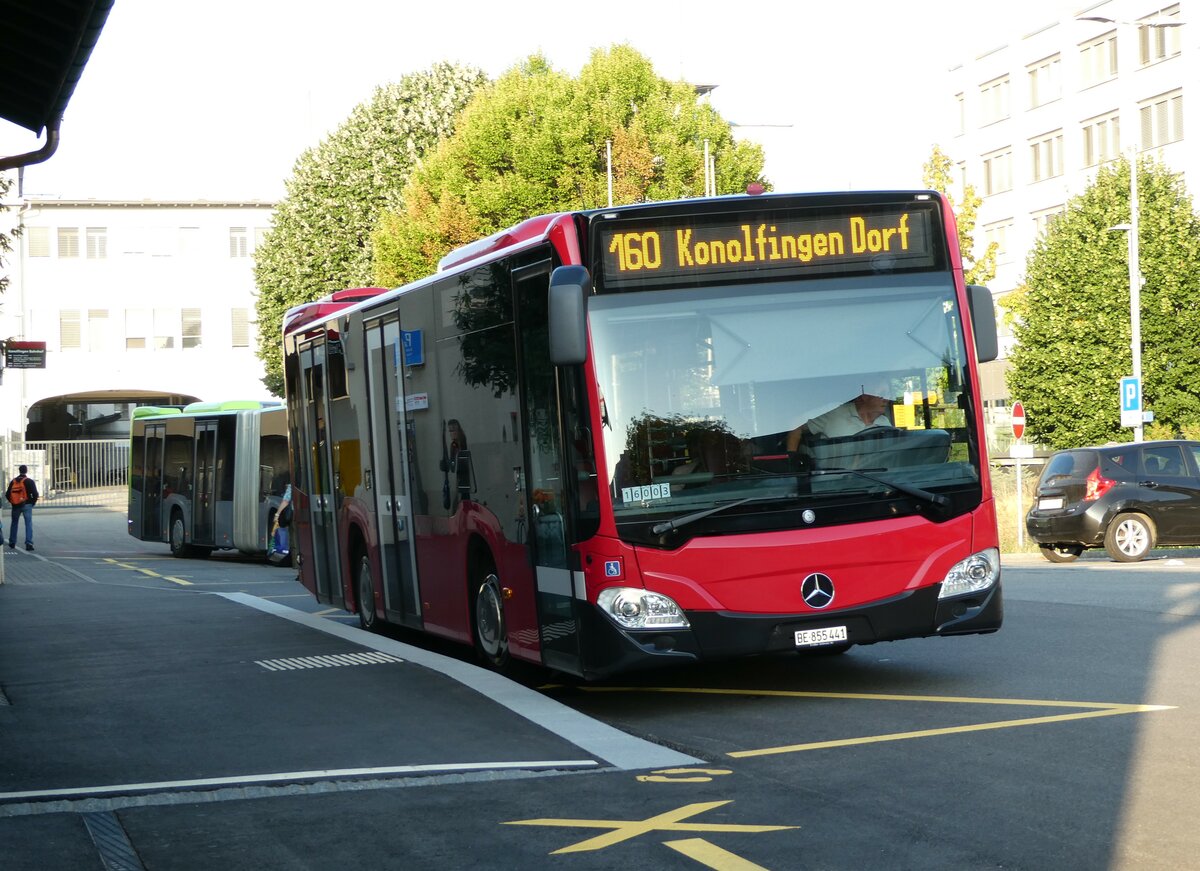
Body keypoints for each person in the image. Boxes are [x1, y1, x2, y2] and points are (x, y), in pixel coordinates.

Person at [786, 377, 893, 451]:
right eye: (882, 395)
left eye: (888, 394)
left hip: (876, 481)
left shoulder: (885, 423)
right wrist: (791, 460)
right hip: (834, 482)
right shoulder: (834, 412)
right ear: (865, 395)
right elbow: (796, 424)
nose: (887, 399)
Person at [6, 464, 40, 551]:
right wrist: (32, 503)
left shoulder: (13, 481)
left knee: (14, 523)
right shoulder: (29, 481)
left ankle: (12, 542)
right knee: (28, 524)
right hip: (27, 505)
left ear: (19, 470)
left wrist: (13, 502)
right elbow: (35, 494)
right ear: (26, 471)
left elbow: (7, 494)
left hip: (15, 506)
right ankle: (29, 543)